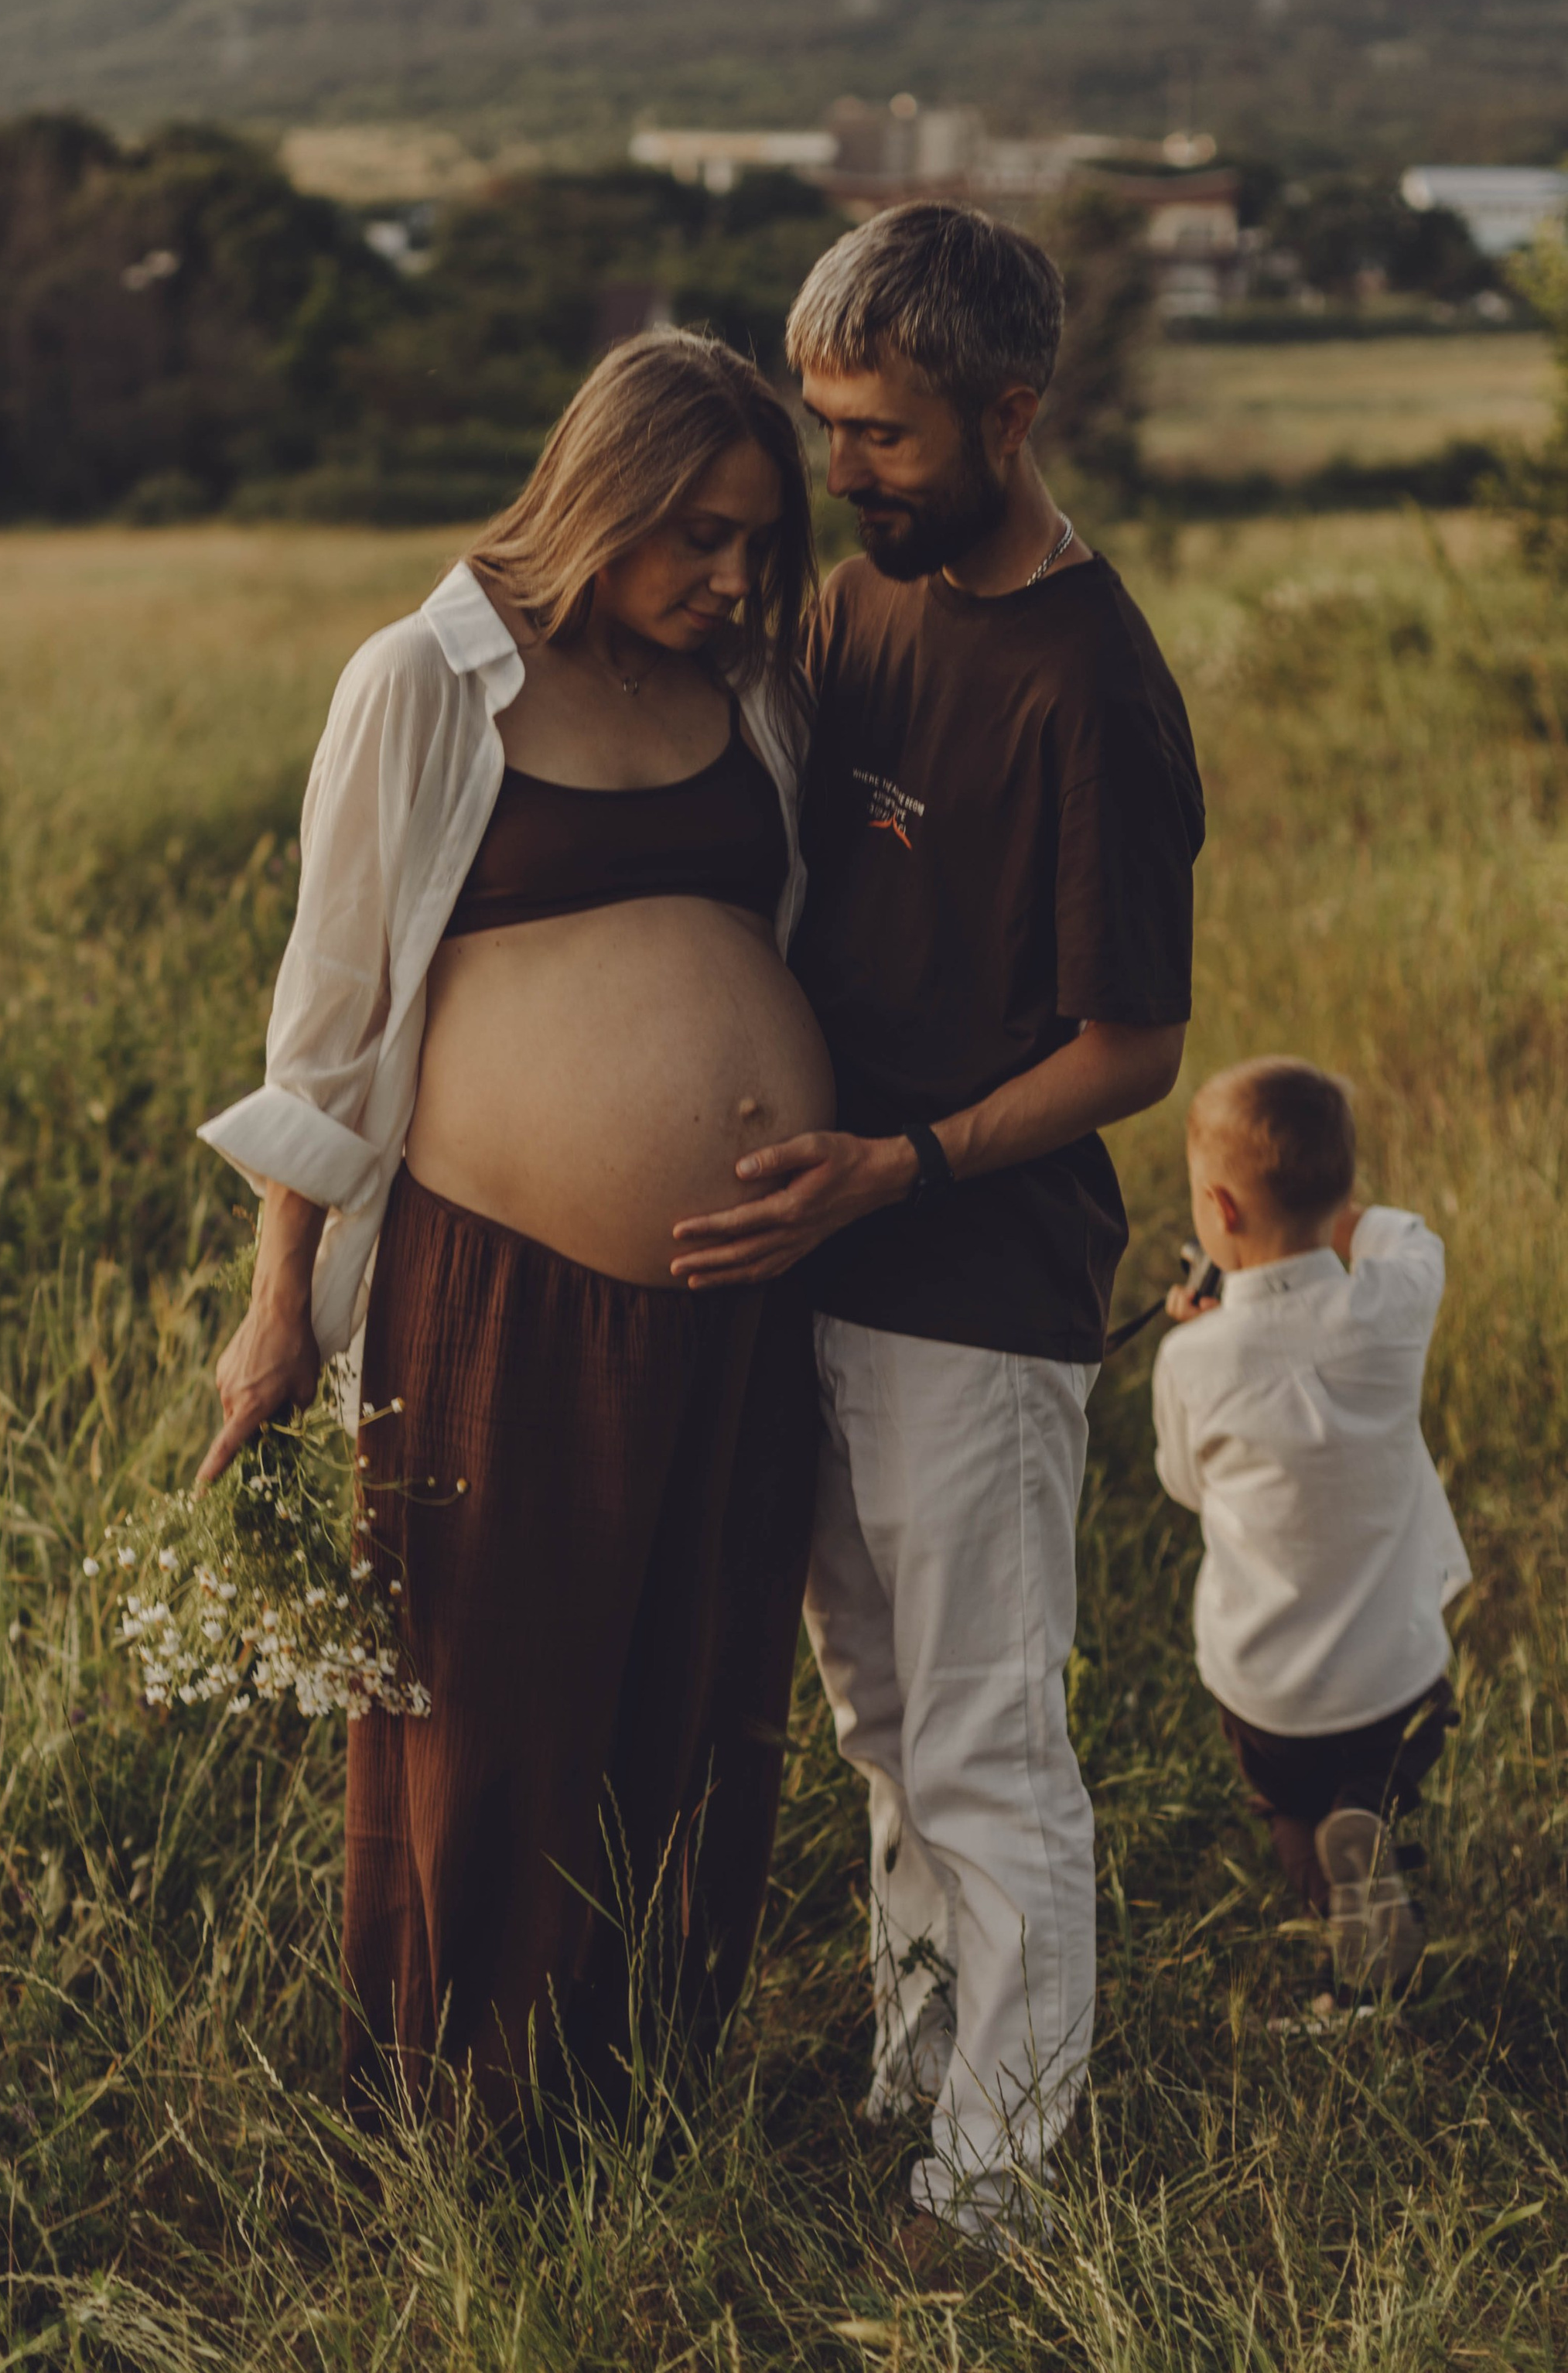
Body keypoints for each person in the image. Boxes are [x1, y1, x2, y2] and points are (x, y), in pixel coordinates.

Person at [195, 330, 833, 2129]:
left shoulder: (755, 691)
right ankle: (454, 2112)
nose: (727, 579)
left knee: (698, 1693)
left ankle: (642, 2082)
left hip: (738, 1305)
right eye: (694, 536)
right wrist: (277, 1305)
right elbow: (322, 1019)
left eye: (753, 543)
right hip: (497, 1288)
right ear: (600, 499)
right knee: (485, 1701)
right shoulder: (426, 677)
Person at [672, 203, 1204, 2247]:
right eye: (826, 427)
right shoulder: (863, 604)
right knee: (883, 1728)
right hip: (833, 1260)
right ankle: (923, 2074)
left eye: (883, 435)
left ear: (1010, 410)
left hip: (976, 1288)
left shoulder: (1096, 688)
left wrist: (898, 1170)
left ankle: (1003, 2184)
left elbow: (1131, 1045)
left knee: (987, 1747)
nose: (844, 474)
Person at [1153, 1058, 1469, 2008]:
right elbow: (1410, 1240)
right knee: (1389, 1753)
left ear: (1219, 1208)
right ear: (1338, 1198)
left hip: (1266, 1685)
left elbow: (1185, 1484)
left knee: (1285, 1802)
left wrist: (1204, 1329)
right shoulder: (1392, 1303)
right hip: (1389, 1669)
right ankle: (1365, 1820)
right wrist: (1338, 1218)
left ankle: (1333, 1898)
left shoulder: (1192, 1360)